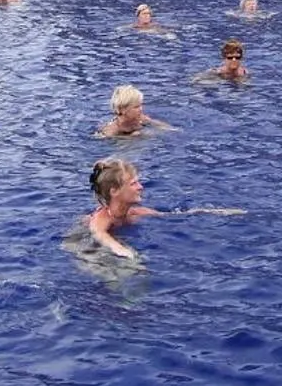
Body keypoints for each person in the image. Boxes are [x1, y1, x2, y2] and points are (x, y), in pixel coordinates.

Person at [79, 158, 240, 260]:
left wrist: (215, 213)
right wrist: (122, 250)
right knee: (127, 268)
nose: (141, 187)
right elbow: (99, 233)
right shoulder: (101, 217)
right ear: (114, 191)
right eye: (133, 183)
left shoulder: (135, 212)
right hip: (82, 245)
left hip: (109, 243)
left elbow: (173, 215)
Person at [98, 83, 175, 137]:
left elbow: (157, 124)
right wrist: (131, 137)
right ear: (123, 110)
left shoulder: (140, 119)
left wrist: (172, 129)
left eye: (141, 105)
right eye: (136, 107)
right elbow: (106, 138)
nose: (141, 109)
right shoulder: (113, 129)